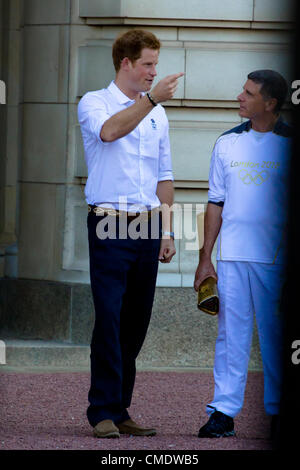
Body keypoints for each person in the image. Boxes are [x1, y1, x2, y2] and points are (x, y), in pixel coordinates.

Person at [78, 29, 183, 438]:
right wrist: (151, 99)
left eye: (154, 65)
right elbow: (109, 132)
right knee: (108, 316)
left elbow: (165, 177)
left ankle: (120, 408)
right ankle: (101, 410)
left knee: (135, 321)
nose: (153, 72)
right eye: (147, 64)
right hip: (108, 223)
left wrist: (169, 231)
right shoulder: (94, 102)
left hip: (147, 224)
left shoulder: (157, 113)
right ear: (126, 63)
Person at [194, 69, 292, 439]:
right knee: (230, 335)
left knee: (275, 334)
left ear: (269, 103)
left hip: (277, 258)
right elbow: (216, 202)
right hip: (232, 257)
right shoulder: (227, 143)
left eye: (249, 93)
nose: (240, 96)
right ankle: (223, 411)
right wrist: (206, 258)